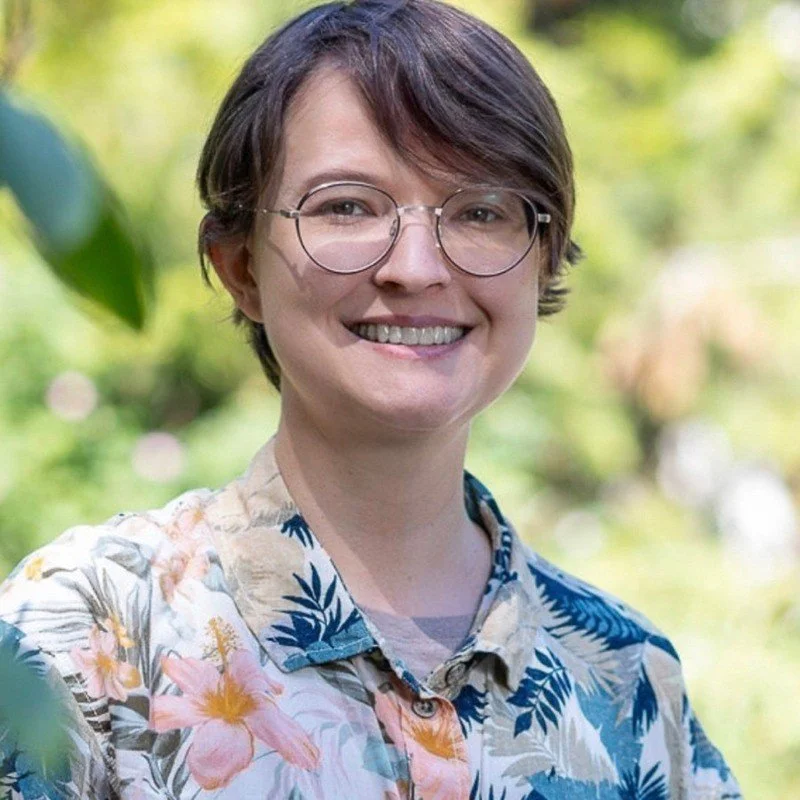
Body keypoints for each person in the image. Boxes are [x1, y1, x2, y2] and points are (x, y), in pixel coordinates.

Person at [0, 1, 741, 797]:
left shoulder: (626, 677)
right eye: (346, 206)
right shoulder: (87, 636)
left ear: (543, 259)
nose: (416, 267)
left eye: (481, 210)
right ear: (239, 263)